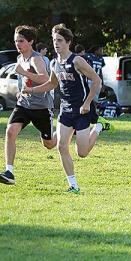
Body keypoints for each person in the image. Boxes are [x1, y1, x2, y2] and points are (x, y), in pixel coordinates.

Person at [23, 24, 108, 193]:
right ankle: (73, 185)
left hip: (82, 111)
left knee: (82, 153)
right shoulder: (54, 62)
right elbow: (52, 84)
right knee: (61, 146)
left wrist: (87, 103)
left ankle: (98, 127)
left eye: (60, 40)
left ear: (68, 42)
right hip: (65, 111)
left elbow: (96, 80)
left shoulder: (77, 60)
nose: (56, 44)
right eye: (54, 40)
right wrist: (31, 90)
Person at [1, 25, 56, 185]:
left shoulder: (35, 59)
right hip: (24, 105)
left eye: (21, 41)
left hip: (41, 108)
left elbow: (45, 79)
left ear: (30, 41)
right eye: (16, 41)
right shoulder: (20, 59)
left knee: (49, 144)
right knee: (10, 132)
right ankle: (9, 172)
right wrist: (21, 91)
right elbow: (23, 81)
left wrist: (24, 72)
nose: (17, 44)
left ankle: (63, 132)